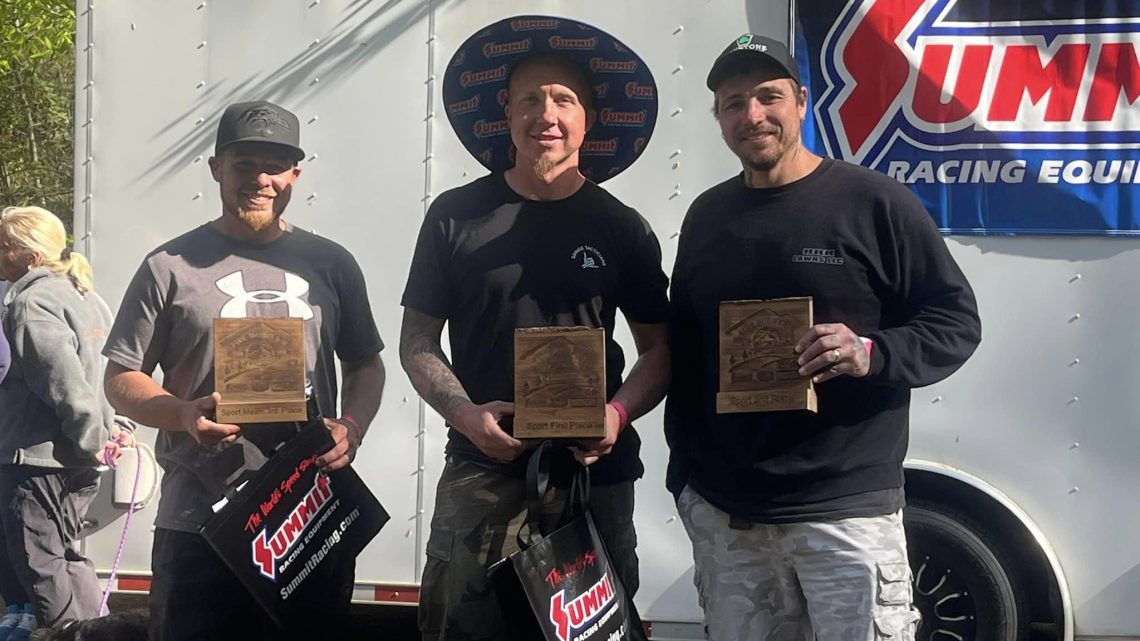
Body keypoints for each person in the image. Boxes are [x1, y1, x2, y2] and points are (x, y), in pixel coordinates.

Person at [665, 34, 983, 641]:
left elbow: (956, 320)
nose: (752, 115)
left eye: (768, 96)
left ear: (802, 101)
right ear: (718, 118)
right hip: (730, 515)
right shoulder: (707, 216)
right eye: (734, 103)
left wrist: (871, 352)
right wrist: (687, 480)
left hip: (845, 508)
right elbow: (687, 348)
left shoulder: (872, 203)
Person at [401, 16, 669, 641]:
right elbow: (417, 341)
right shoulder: (455, 216)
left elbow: (659, 349)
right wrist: (465, 415)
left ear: (588, 119)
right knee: (464, 630)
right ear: (506, 112)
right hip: (481, 470)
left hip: (593, 477)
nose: (545, 114)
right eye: (530, 99)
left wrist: (618, 415)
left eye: (563, 99)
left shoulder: (622, 226)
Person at [101, 100, 386, 641]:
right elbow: (120, 379)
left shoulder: (332, 263)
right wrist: (183, 414)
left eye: (275, 167)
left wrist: (352, 427)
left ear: (295, 175)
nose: (260, 179)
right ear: (215, 168)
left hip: (307, 515)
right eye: (243, 164)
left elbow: (366, 363)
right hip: (198, 522)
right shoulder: (169, 267)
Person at [0, 206, 124, 640]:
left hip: (40, 463)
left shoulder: (32, 303)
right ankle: (96, 633)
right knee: (69, 558)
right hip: (80, 460)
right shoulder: (87, 295)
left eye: (6, 245)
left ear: (31, 256)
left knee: (43, 564)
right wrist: (113, 430)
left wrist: (92, 437)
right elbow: (112, 370)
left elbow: (63, 382)